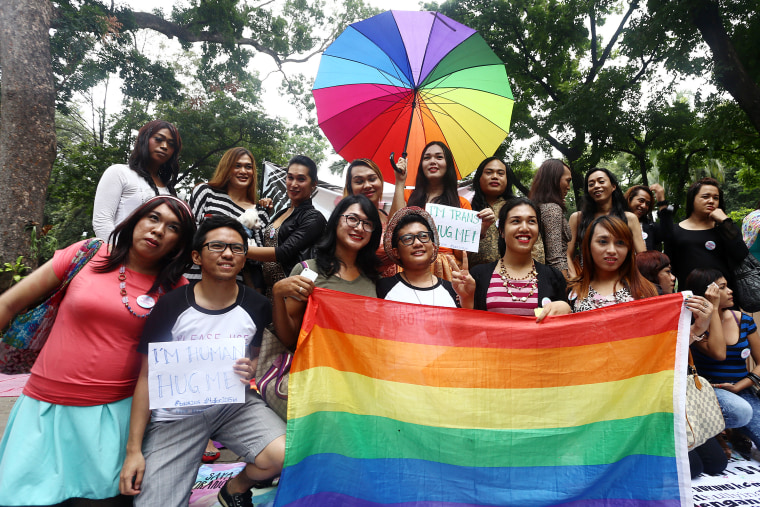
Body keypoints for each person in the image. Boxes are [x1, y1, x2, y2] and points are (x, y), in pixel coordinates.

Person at [0, 195, 196, 506]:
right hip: (44, 409)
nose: (158, 230)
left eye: (173, 227)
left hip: (113, 418)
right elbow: (8, 303)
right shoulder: (86, 254)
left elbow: (178, 360)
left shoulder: (177, 290)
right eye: (153, 218)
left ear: (180, 244)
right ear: (136, 220)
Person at [119, 216, 285, 507]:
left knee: (284, 455)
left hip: (234, 406)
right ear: (197, 256)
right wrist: (134, 450)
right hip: (175, 417)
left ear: (245, 259)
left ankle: (235, 488)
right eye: (217, 246)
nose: (227, 254)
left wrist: (250, 367)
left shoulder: (257, 306)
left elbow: (255, 354)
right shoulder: (170, 306)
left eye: (237, 248)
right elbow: (146, 378)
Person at [272, 194, 381, 349]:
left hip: (360, 371)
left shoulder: (374, 279)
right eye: (352, 219)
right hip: (317, 371)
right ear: (336, 220)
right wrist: (277, 295)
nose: (359, 227)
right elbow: (289, 338)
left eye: (368, 223)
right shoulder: (308, 271)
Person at [455, 197, 570, 321]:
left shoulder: (554, 277)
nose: (525, 228)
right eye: (516, 221)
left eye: (531, 221)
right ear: (502, 231)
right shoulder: (478, 276)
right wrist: (466, 300)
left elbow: (564, 330)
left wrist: (566, 309)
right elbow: (469, 327)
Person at [686, 268, 760, 456]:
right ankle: (716, 432)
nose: (730, 291)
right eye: (723, 287)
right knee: (740, 411)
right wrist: (712, 309)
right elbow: (719, 353)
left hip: (742, 388)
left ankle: (734, 431)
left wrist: (740, 386)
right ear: (708, 294)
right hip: (713, 390)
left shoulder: (743, 320)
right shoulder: (695, 325)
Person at [246, 155, 327, 299]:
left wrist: (241, 250)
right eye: (290, 177)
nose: (293, 184)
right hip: (266, 292)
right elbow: (264, 240)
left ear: (313, 183)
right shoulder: (281, 213)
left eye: (301, 179)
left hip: (292, 295)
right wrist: (264, 212)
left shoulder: (314, 217)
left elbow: (284, 252)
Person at [93, 120, 182, 240]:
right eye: (158, 139)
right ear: (145, 139)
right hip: (115, 254)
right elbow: (102, 221)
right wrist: (115, 254)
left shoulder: (169, 191)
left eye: (171, 144)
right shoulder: (119, 173)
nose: (164, 146)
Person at [396, 141, 472, 279]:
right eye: (427, 158)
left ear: (448, 164)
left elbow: (461, 254)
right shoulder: (407, 196)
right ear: (421, 165)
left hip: (447, 270)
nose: (432, 161)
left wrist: (480, 231)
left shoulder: (462, 204)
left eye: (439, 157)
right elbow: (393, 231)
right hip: (410, 265)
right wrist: (400, 182)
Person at [662, 177, 748, 290]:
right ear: (692, 199)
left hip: (725, 297)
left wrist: (725, 221)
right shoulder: (674, 231)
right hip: (692, 300)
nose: (711, 201)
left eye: (716, 198)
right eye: (705, 197)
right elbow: (669, 268)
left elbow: (741, 254)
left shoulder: (726, 228)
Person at [568, 215, 658, 312]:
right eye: (603, 241)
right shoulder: (572, 291)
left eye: (620, 243)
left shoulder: (646, 290)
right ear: (588, 246)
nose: (612, 250)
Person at [567, 168, 645, 277]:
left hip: (623, 282)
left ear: (613, 186)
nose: (596, 186)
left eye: (601, 181)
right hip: (587, 283)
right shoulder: (577, 218)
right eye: (591, 184)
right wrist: (575, 283)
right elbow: (566, 254)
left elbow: (642, 257)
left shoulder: (630, 218)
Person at [377, 207, 459, 307]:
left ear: (433, 247)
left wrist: (467, 299)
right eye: (408, 238)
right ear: (396, 252)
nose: (417, 243)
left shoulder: (453, 290)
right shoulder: (382, 288)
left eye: (423, 236)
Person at [343, 158, 406, 278]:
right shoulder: (348, 222)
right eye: (359, 181)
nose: (367, 185)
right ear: (350, 187)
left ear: (381, 182)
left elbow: (399, 225)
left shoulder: (386, 216)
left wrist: (400, 181)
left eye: (372, 179)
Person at [528, 159, 573, 276]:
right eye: (567, 181)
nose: (568, 187)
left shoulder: (538, 206)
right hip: (556, 279)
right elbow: (555, 257)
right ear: (555, 179)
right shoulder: (552, 209)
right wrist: (565, 287)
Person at [467, 157, 514, 267]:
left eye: (500, 173)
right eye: (489, 172)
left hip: (512, 277)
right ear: (479, 178)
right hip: (472, 277)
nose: (495, 177)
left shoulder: (517, 208)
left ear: (507, 179)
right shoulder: (466, 206)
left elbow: (535, 246)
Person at [624, 184, 667, 251]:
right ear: (630, 199)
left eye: (647, 204)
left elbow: (667, 233)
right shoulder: (614, 221)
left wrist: (662, 201)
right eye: (641, 200)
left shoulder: (650, 226)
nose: (644, 206)